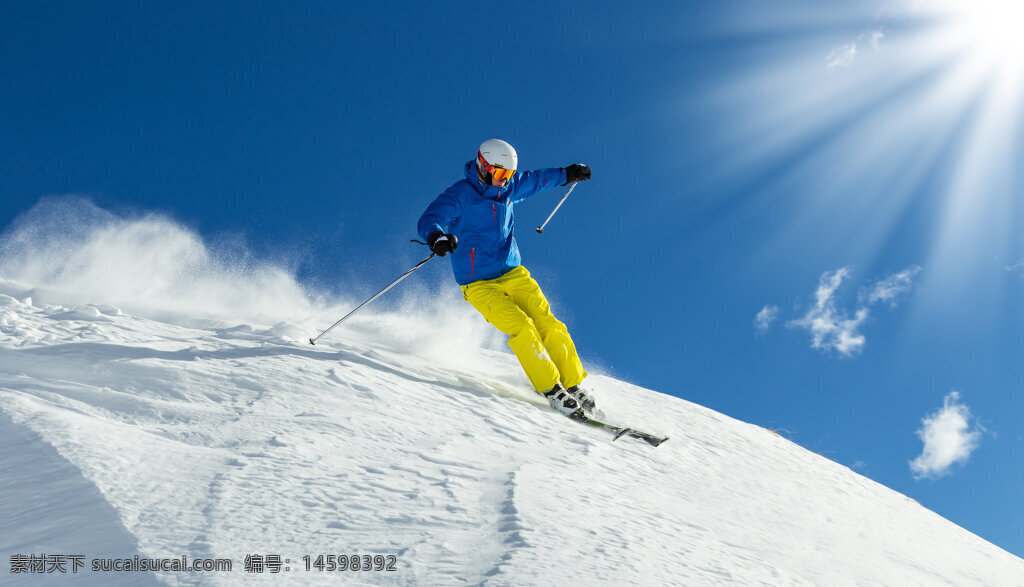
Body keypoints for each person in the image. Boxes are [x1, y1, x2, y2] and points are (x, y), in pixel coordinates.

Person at [418, 138, 596, 421]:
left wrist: (567, 173)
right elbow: (431, 217)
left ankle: (573, 383)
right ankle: (552, 390)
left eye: (509, 175)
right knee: (522, 327)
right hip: (478, 283)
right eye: (500, 174)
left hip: (513, 273)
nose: (504, 181)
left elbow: (538, 179)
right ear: (483, 166)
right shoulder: (462, 194)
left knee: (547, 323)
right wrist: (436, 236)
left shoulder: (509, 189)